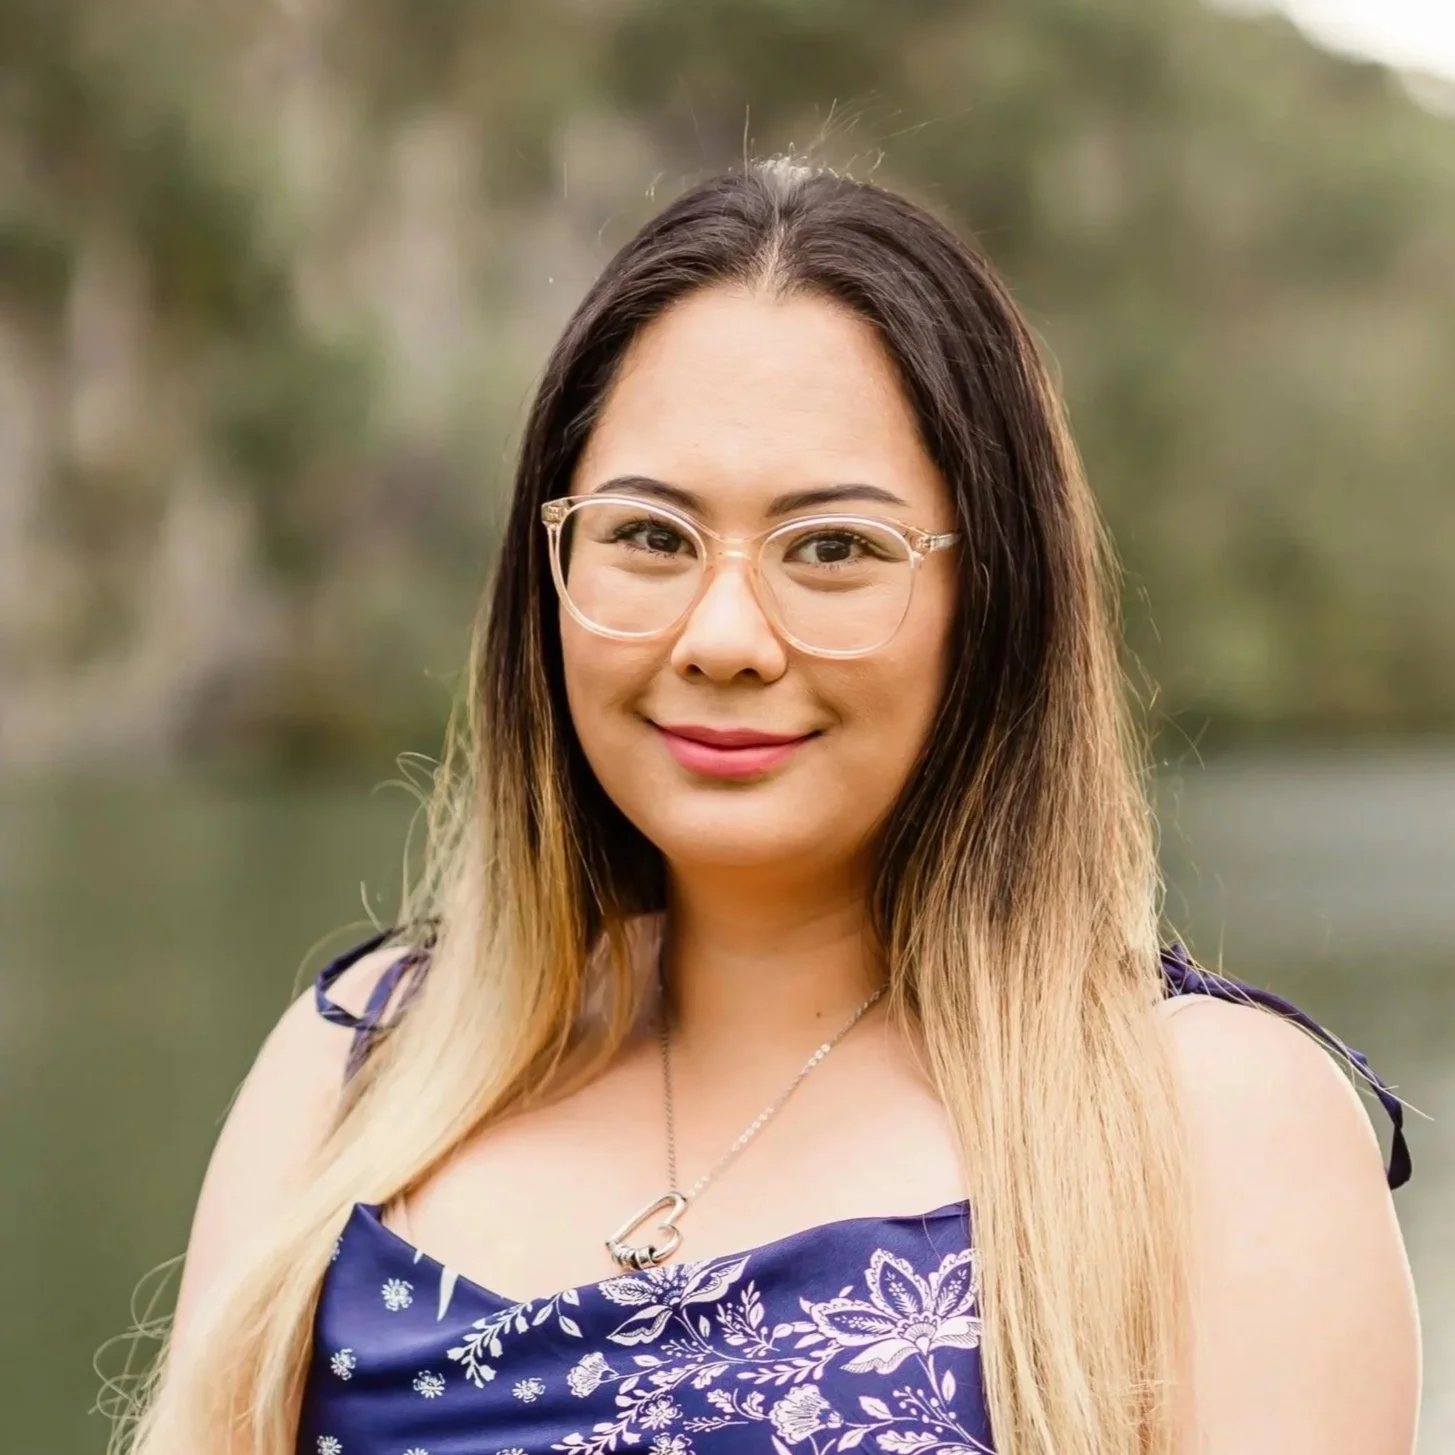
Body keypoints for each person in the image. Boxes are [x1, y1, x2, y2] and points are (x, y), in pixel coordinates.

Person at [126, 159, 1420, 1455]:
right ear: (548, 570)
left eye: (834, 548)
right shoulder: (360, 1069)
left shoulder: (1210, 1127)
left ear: (995, 599)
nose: (725, 638)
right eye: (649, 536)